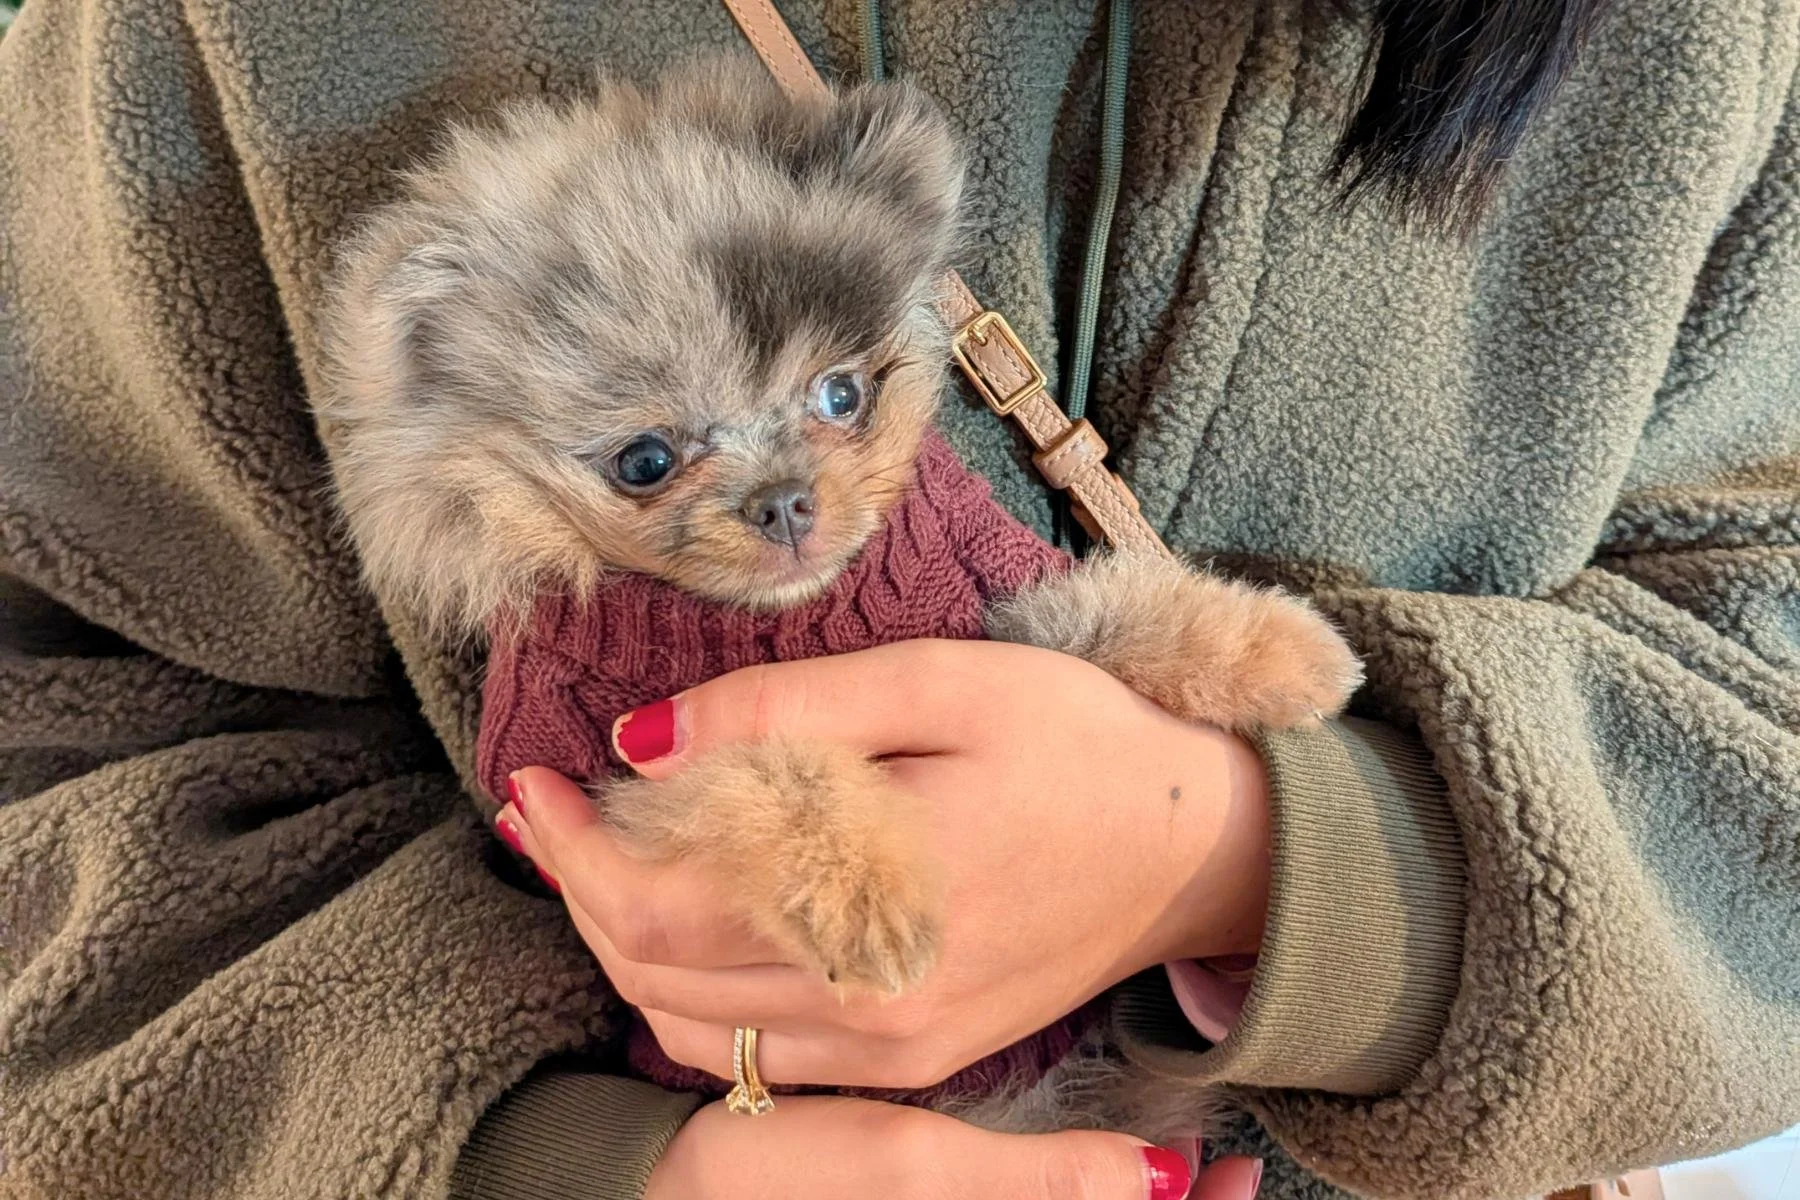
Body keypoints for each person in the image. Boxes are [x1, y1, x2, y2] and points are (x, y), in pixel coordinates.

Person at [1, 0, 1796, 1198]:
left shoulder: (1699, 48)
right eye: (653, 461)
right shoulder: (202, 46)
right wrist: (562, 1163)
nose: (784, 498)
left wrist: (1294, 855)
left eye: (839, 400)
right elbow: (62, 749)